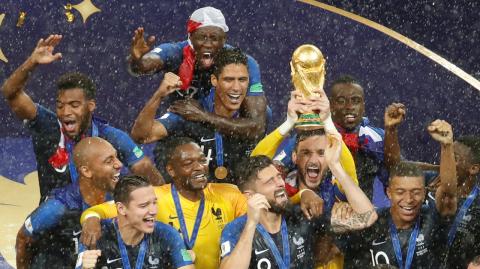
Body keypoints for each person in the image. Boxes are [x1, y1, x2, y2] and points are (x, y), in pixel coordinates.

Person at [80, 137, 322, 269]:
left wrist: (303, 195)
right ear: (171, 170)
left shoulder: (228, 193)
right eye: (188, 164)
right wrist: (91, 219)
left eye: (201, 160)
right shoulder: (154, 197)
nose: (199, 168)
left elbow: (268, 202)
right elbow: (109, 209)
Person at [1, 34, 163, 203]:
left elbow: (144, 168)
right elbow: (10, 92)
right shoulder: (47, 125)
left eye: (74, 105)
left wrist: (164, 207)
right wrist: (31, 62)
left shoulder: (110, 137)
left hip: (100, 220)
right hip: (54, 223)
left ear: (91, 106)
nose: (65, 112)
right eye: (60, 105)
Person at [219, 130, 378, 268]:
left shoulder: (303, 216)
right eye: (270, 182)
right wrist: (251, 224)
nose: (280, 183)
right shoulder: (236, 230)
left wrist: (335, 166)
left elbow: (368, 217)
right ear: (250, 195)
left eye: (278, 177)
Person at [128, 6, 267, 140]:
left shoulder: (242, 63)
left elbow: (257, 125)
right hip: (183, 124)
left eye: (214, 38)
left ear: (224, 39)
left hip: (224, 126)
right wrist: (137, 61)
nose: (208, 44)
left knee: (266, 113)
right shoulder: (175, 53)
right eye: (202, 37)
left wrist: (204, 116)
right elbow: (145, 65)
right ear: (190, 37)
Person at [131, 47, 265, 184]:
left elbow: (257, 127)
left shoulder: (252, 116)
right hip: (197, 198)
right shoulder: (189, 111)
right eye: (228, 80)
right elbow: (142, 136)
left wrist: (204, 117)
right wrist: (158, 95)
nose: (236, 88)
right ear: (214, 80)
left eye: (242, 80)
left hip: (238, 198)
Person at [337, 119, 458, 268]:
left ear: (424, 193)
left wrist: (446, 145)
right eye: (400, 192)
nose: (408, 199)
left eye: (416, 192)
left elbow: (448, 193)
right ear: (389, 193)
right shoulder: (371, 223)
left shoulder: (432, 220)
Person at [383, 104, 480, 268]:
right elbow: (396, 168)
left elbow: (449, 191)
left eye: (454, 157)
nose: (447, 160)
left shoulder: (477, 204)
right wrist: (391, 130)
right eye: (448, 154)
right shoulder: (429, 178)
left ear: (474, 168)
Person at [15, 137, 122, 269]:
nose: (119, 164)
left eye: (116, 157)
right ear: (86, 171)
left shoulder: (119, 195)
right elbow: (23, 238)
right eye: (109, 161)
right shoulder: (57, 207)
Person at [76, 175, 194, 269]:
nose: (153, 211)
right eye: (143, 205)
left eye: (154, 203)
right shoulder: (95, 234)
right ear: (121, 208)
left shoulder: (166, 234)